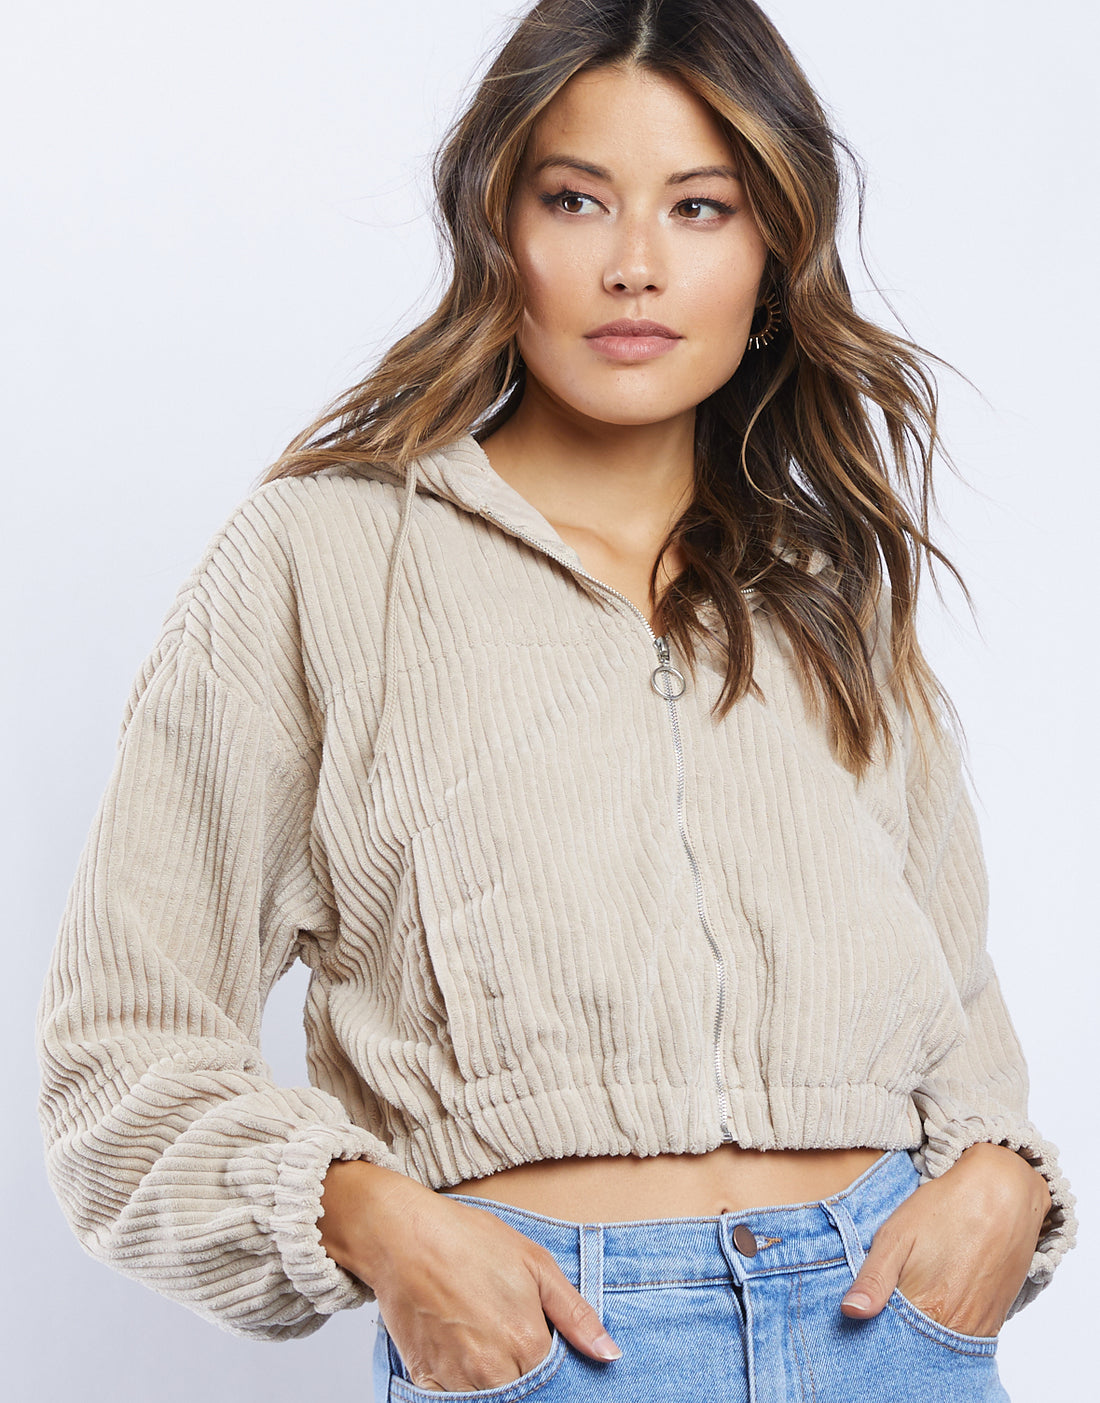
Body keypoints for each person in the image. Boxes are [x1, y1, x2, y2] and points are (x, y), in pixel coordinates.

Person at [36, 1, 1076, 1399]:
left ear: (772, 256)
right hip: (552, 1349)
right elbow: (121, 1060)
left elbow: (959, 1016)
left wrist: (1003, 1177)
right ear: (496, 228)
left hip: (886, 1338)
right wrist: (373, 1218)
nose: (634, 265)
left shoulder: (829, 590)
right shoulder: (321, 560)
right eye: (576, 199)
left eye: (700, 208)